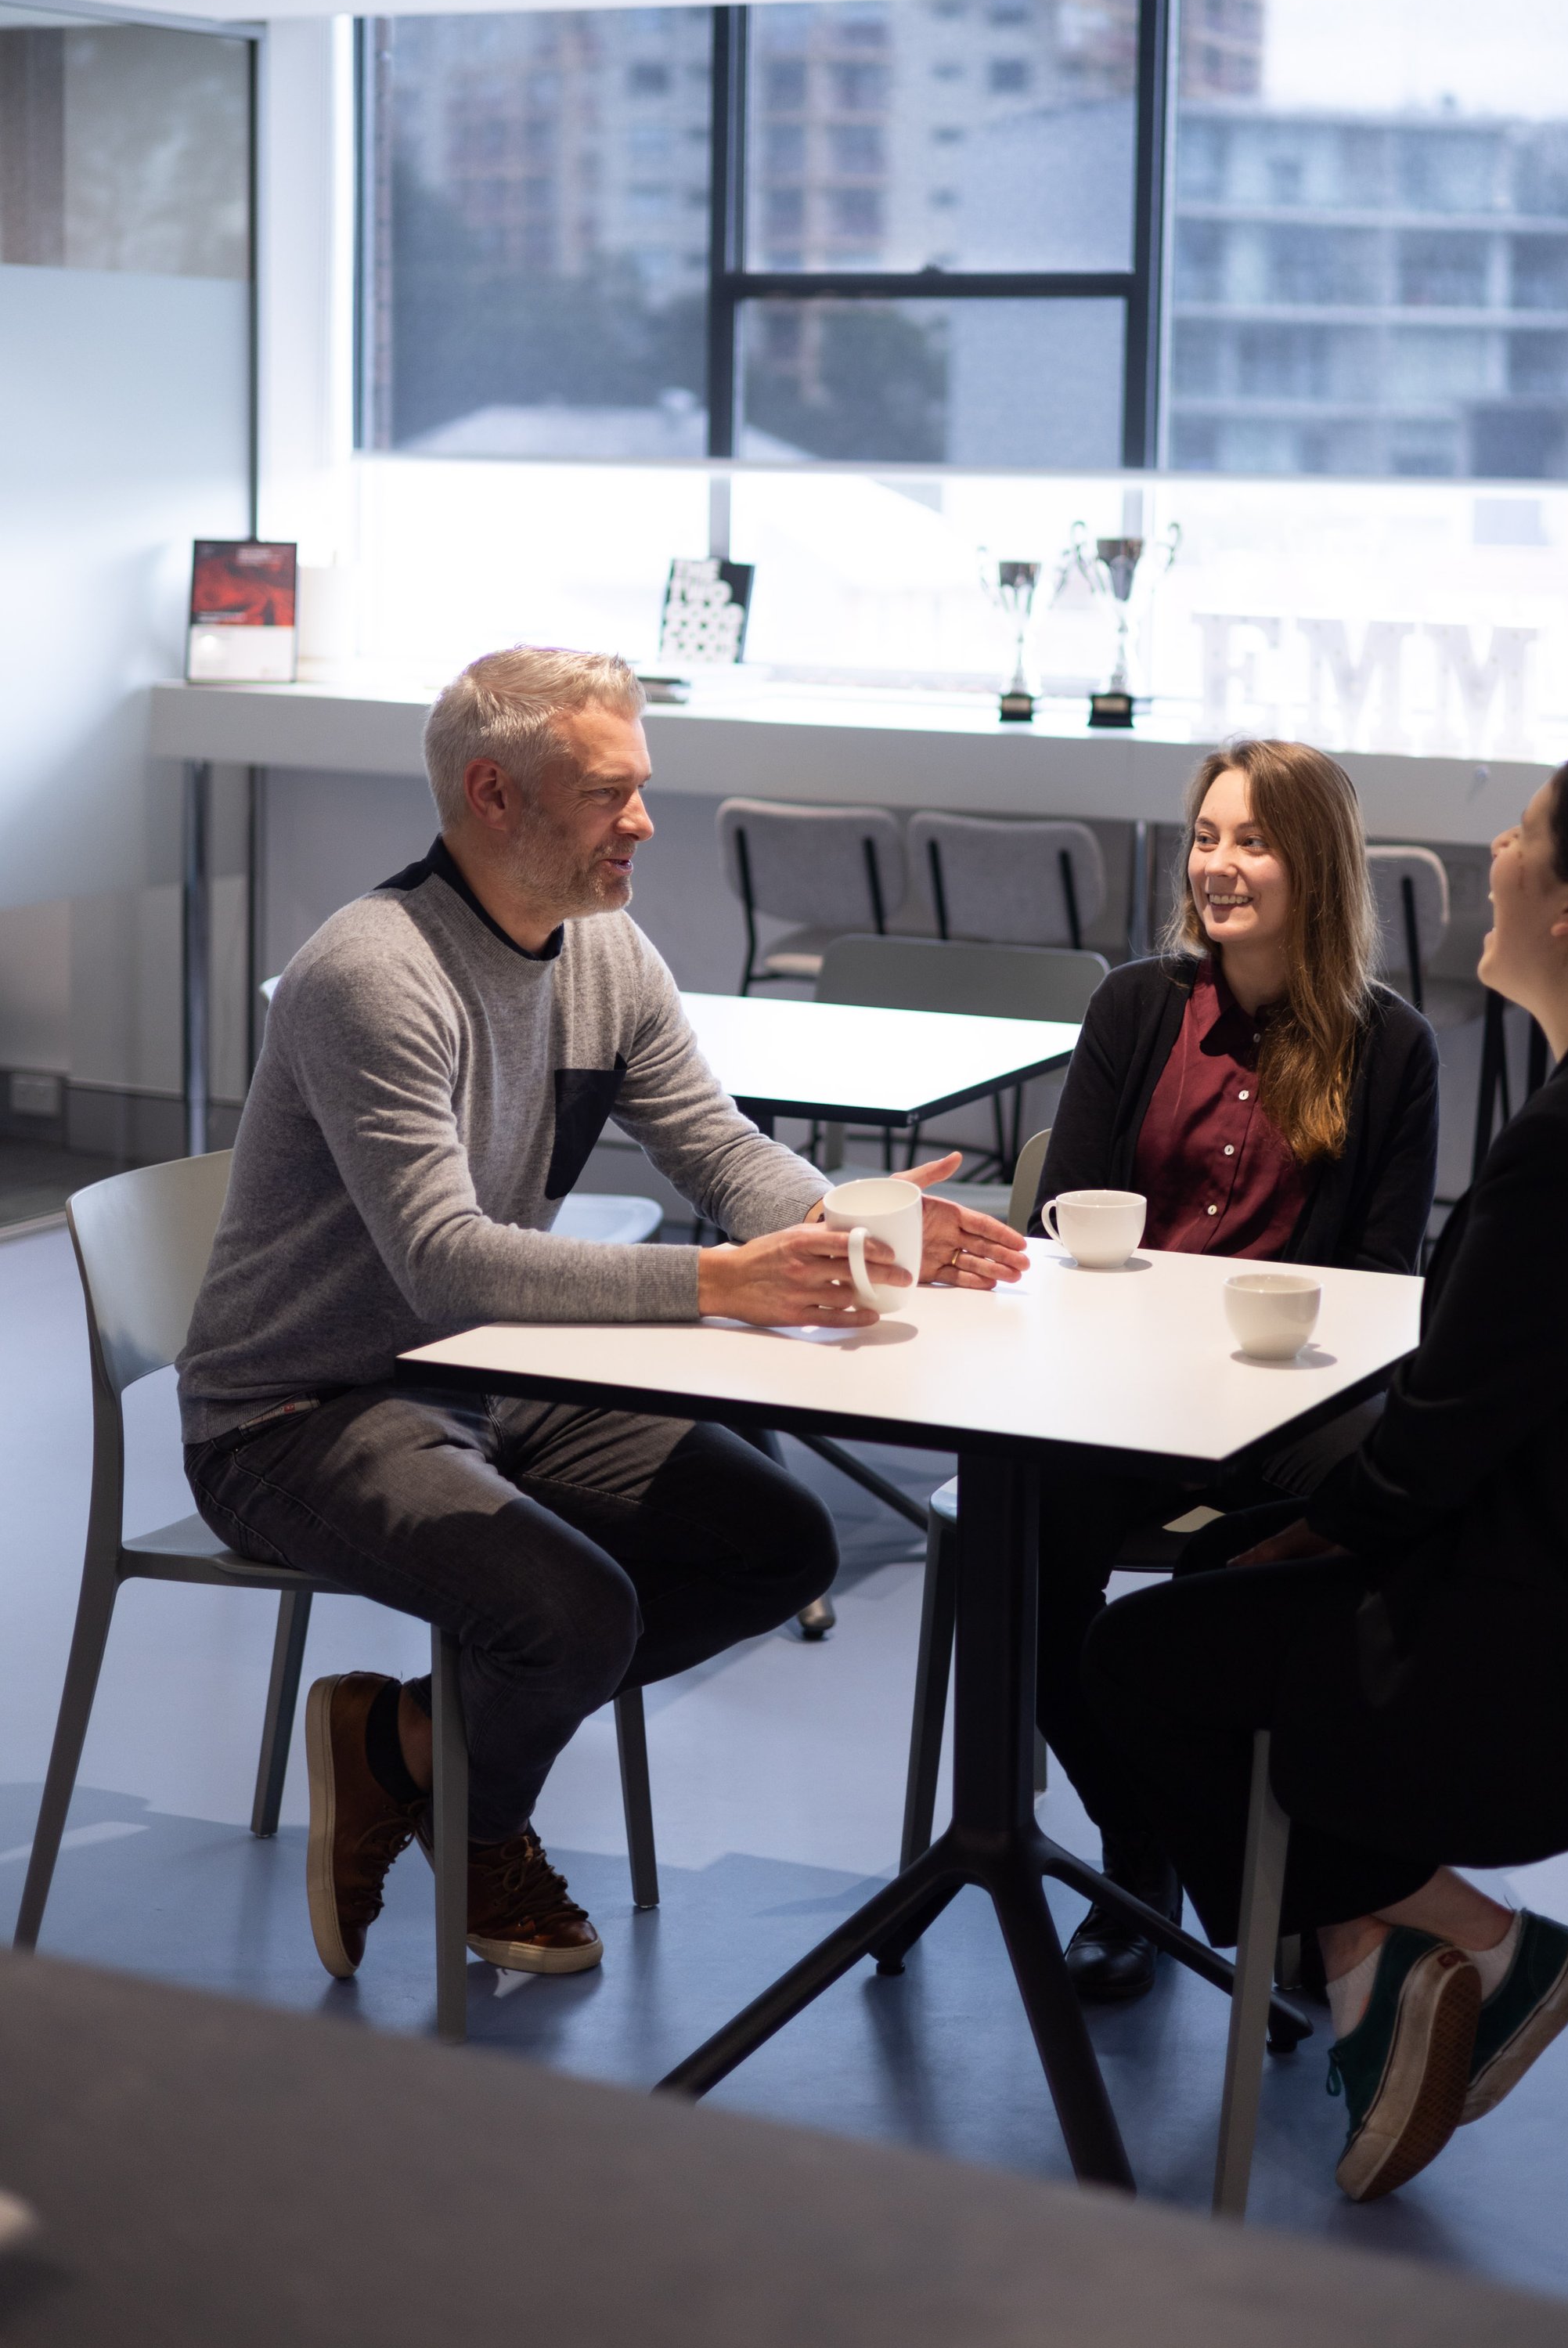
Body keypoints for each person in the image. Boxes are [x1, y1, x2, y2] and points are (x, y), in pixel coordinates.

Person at [179, 646, 1025, 1986]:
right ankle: (480, 1823)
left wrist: (849, 1223)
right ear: (492, 793)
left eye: (640, 789)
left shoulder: (606, 951)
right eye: (606, 794)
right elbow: (445, 1264)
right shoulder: (371, 973)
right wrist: (716, 1284)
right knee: (573, 1616)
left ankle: (402, 1743)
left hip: (481, 1375)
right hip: (298, 1411)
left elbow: (718, 1148)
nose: (642, 822)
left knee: (778, 1546)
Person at [1083, 748, 1568, 2203]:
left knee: (1143, 1657)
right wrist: (1304, 1530)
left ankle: (1474, 1938)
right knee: (1223, 1576)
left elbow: (1434, 1445)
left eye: (1522, 835)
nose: (1494, 853)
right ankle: (1365, 1963)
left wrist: (1308, 1537)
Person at [1031, 738, 1440, 2001]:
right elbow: (1061, 1220)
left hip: (1284, 1399)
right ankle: (1141, 1851)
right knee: (1019, 1550)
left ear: (1316, 866)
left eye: (1252, 842)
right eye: (1206, 838)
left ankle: (1324, 1882)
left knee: (1381, 1518)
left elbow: (1381, 1286)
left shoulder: (1391, 1046)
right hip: (1120, 1391)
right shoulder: (1134, 1007)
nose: (1218, 865)